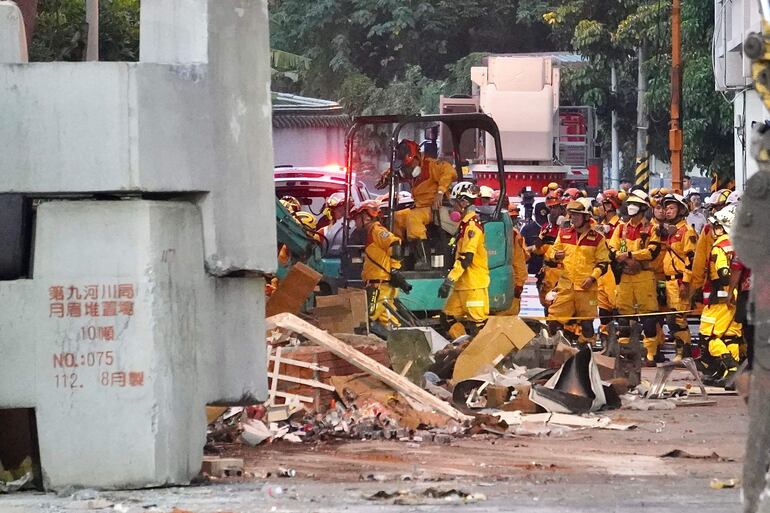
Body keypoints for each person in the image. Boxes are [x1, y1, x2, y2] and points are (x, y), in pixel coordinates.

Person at [544, 198, 611, 346]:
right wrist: (555, 256)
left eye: (577, 215)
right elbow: (550, 255)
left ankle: (586, 349)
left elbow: (603, 263)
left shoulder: (598, 239)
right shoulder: (563, 234)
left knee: (587, 325)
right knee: (553, 320)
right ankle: (556, 348)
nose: (573, 218)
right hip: (565, 287)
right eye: (571, 214)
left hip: (587, 289)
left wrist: (592, 278)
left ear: (587, 217)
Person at [384, 139, 457, 270]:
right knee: (395, 218)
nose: (408, 169)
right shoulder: (409, 172)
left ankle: (423, 259)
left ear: (417, 158)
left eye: (409, 165)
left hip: (434, 206)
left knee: (413, 218)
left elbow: (449, 171)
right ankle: (398, 258)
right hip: (419, 206)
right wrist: (387, 177)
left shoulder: (432, 165)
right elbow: (395, 174)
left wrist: (440, 192)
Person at [608, 190, 663, 365]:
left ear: (642, 208)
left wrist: (631, 255)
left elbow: (652, 251)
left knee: (648, 318)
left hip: (644, 277)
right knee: (624, 315)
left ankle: (650, 354)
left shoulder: (652, 228)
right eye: (629, 204)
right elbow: (612, 246)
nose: (631, 207)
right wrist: (619, 255)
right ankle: (625, 352)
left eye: (635, 205)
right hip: (625, 276)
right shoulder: (621, 227)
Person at [438, 182, 490, 338]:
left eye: (454, 203)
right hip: (463, 285)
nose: (452, 209)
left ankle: (482, 357)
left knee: (478, 326)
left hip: (473, 285)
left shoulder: (472, 227)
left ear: (464, 202)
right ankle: (464, 348)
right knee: (447, 318)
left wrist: (449, 280)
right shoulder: (464, 226)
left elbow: (466, 258)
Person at [351, 200, 411, 332]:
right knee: (388, 319)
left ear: (366, 217)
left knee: (366, 317)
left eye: (356, 218)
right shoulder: (371, 233)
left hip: (380, 285)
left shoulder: (377, 231)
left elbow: (395, 244)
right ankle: (404, 343)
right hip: (379, 284)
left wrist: (394, 269)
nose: (355, 222)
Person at [699, 205, 742, 388]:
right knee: (731, 336)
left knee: (710, 336)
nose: (713, 230)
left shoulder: (719, 247)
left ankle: (730, 368)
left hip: (721, 296)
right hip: (736, 295)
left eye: (716, 226)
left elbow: (724, 273)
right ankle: (729, 372)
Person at [662, 193, 698, 361]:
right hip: (670, 282)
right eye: (666, 208)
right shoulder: (672, 231)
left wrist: (685, 282)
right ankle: (683, 352)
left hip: (679, 281)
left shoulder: (687, 231)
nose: (667, 211)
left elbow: (691, 259)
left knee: (678, 319)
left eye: (671, 208)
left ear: (681, 210)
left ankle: (683, 353)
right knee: (672, 319)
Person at [532, 189, 565, 311]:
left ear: (562, 208)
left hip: (562, 271)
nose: (552, 211)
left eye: (555, 208)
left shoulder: (569, 228)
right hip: (547, 272)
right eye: (550, 208)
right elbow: (537, 251)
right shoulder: (546, 227)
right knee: (546, 304)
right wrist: (540, 239)